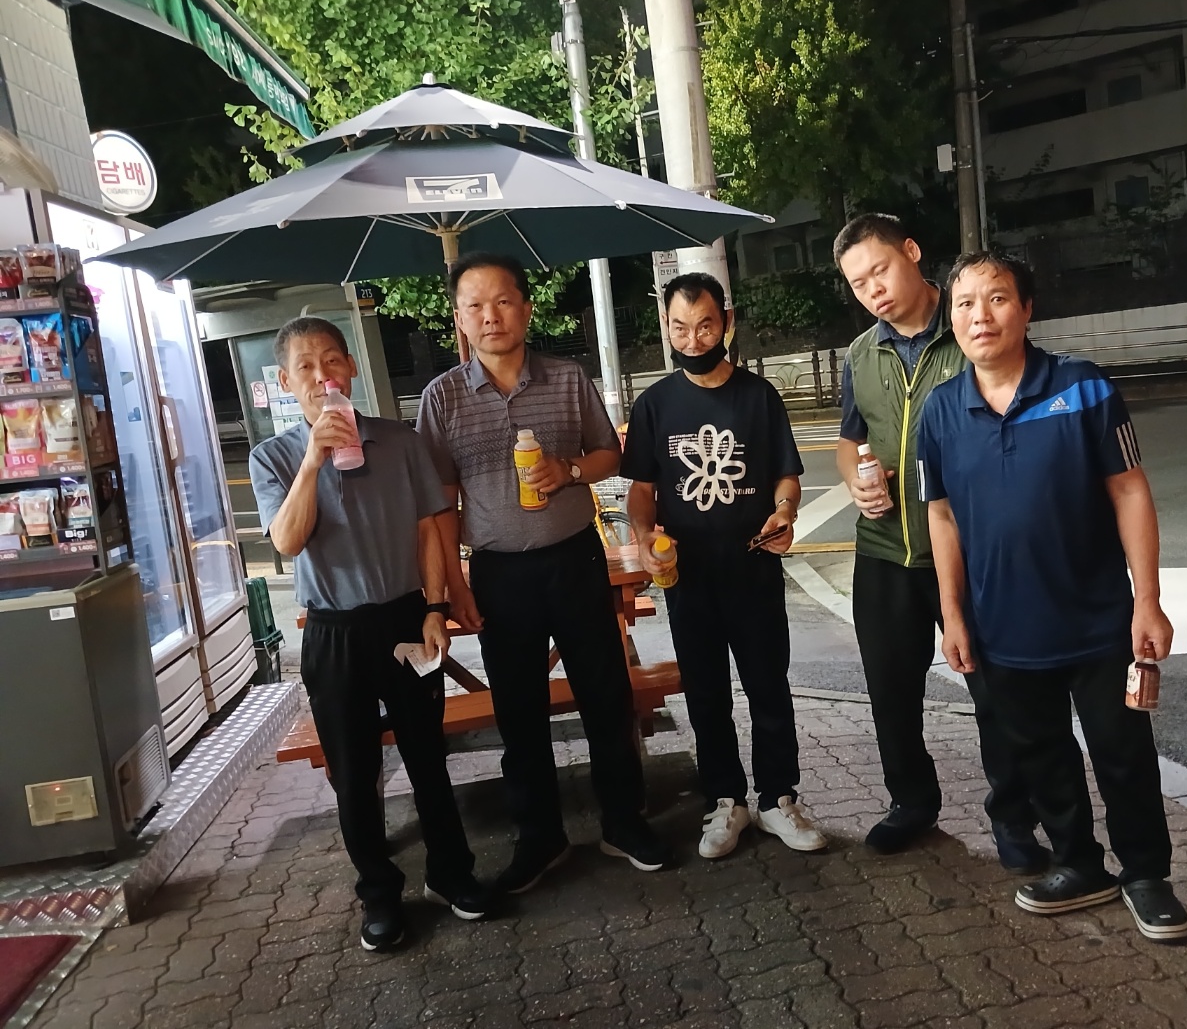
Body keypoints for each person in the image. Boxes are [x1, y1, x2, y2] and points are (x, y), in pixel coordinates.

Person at [920, 250, 1187, 942]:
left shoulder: (1083, 386)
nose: (980, 315)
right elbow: (941, 516)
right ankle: (1079, 863)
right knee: (1041, 755)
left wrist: (1148, 599)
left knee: (1122, 753)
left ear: (1027, 308)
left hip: (1098, 622)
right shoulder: (941, 410)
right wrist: (953, 614)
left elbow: (1129, 490)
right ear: (950, 316)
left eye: (997, 298)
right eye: (964, 303)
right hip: (1001, 627)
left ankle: (1146, 874)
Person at [416, 252, 671, 894]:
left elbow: (609, 455)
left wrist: (570, 470)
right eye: (475, 305)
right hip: (498, 574)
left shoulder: (565, 378)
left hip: (575, 559)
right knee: (518, 709)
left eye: (503, 301)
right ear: (459, 319)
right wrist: (453, 587)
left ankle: (623, 821)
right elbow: (438, 504)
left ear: (526, 309)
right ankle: (539, 837)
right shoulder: (442, 397)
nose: (490, 315)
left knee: (605, 695)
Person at [249, 316, 488, 953]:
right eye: (305, 366)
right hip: (333, 630)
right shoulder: (272, 457)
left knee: (427, 757)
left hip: (407, 617)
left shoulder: (400, 441)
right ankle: (379, 895)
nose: (321, 376)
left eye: (332, 360)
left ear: (351, 367)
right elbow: (287, 541)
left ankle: (451, 873)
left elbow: (429, 528)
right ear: (285, 382)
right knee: (354, 774)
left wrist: (436, 608)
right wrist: (313, 459)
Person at [834, 213, 1043, 865]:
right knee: (891, 692)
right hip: (883, 553)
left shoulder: (969, 333)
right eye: (858, 283)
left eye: (880, 270)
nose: (874, 289)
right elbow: (850, 438)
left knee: (994, 693)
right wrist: (855, 480)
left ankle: (1014, 820)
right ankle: (911, 802)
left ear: (912, 252)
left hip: (969, 554)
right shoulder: (859, 354)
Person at [621, 273, 827, 860]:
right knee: (706, 692)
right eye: (680, 328)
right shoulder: (654, 404)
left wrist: (784, 511)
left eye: (705, 325)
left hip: (753, 568)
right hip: (686, 577)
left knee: (768, 686)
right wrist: (644, 534)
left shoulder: (759, 397)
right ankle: (725, 800)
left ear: (727, 323)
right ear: (666, 328)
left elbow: (786, 476)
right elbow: (641, 491)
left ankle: (777, 798)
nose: (693, 339)